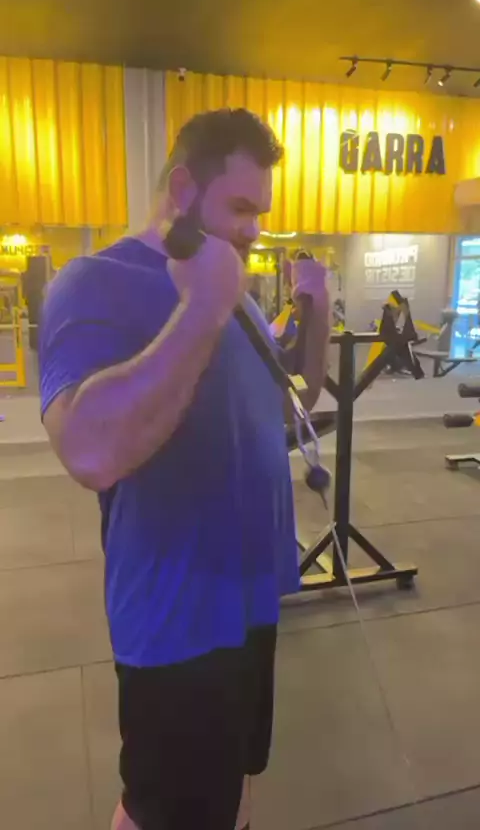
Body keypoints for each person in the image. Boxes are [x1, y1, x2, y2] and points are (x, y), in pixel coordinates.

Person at [38, 108, 330, 830]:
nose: (254, 230)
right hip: (177, 618)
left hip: (251, 598)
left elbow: (297, 395)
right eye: (240, 208)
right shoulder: (95, 281)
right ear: (181, 189)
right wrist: (202, 307)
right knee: (160, 808)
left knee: (232, 781)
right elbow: (88, 451)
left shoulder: (237, 296)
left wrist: (314, 304)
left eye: (260, 212)